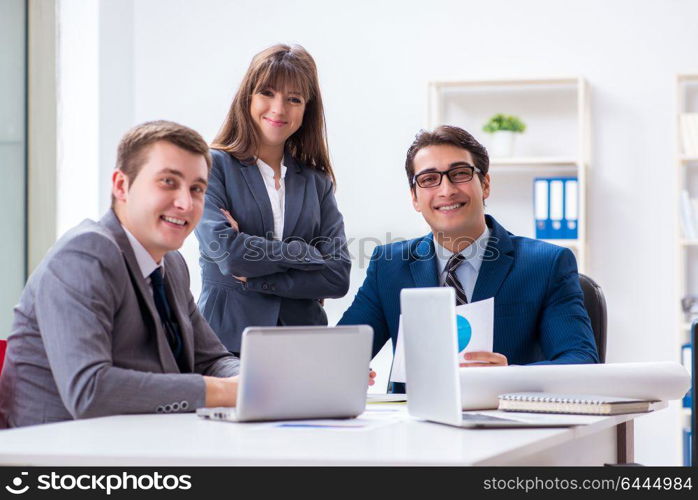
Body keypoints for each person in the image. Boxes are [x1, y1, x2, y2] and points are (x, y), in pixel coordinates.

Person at [0, 121, 241, 428]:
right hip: (63, 460)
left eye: (197, 189)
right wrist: (222, 390)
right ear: (121, 186)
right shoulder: (84, 255)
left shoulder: (173, 265)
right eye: (168, 182)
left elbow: (211, 359)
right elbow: (91, 391)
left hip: (145, 446)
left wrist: (250, 379)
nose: (185, 203)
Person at [339, 125, 599, 391]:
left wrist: (509, 376)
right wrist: (342, 370)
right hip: (412, 425)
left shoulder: (546, 264)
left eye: (460, 174)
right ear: (415, 198)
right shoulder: (389, 266)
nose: (446, 190)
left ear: (485, 184)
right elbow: (339, 353)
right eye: (429, 179)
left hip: (504, 424)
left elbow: (581, 360)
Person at [195, 44, 350, 354]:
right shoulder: (212, 167)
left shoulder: (316, 182)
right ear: (248, 97)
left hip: (304, 347)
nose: (279, 109)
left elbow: (337, 276)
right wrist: (306, 254)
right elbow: (229, 253)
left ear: (307, 110)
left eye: (294, 99)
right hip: (225, 347)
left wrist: (254, 280)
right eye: (267, 93)